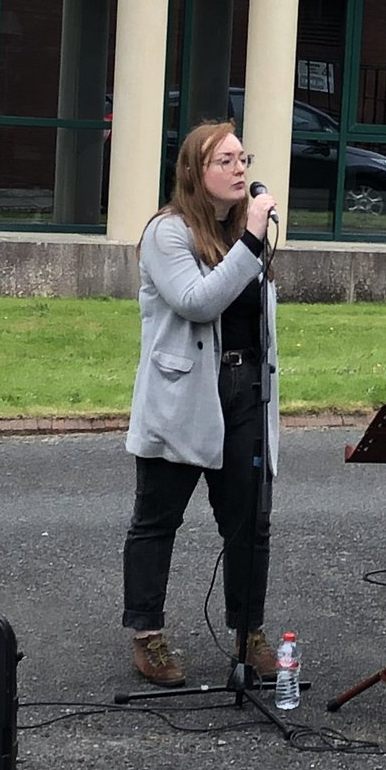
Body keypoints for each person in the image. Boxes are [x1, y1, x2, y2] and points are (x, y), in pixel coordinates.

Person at [122, 120, 280, 687]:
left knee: (249, 521)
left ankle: (248, 630)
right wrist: (253, 243)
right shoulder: (168, 233)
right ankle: (147, 635)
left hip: (244, 391)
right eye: (227, 161)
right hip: (185, 392)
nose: (241, 169)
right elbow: (197, 303)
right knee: (157, 518)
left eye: (244, 158)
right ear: (195, 171)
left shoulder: (241, 233)